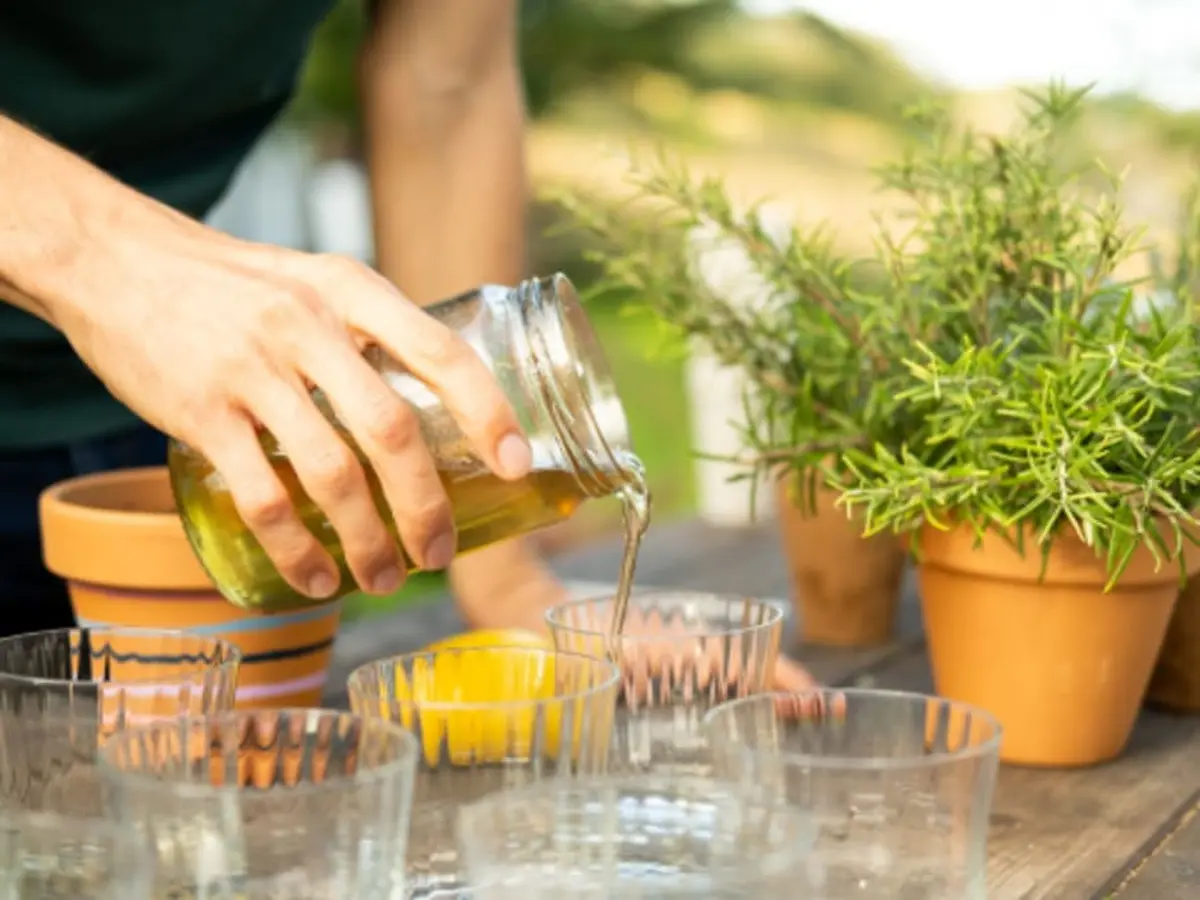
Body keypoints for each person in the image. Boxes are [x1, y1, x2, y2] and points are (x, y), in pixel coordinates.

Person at [0, 1, 814, 688]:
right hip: (131, 303)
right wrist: (106, 261)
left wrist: (502, 575)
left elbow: (447, 87)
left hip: (187, 434)